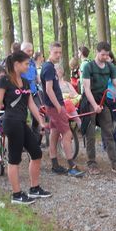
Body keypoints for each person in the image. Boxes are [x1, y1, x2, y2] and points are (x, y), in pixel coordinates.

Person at [0, 50, 51, 204]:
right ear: (16, 64)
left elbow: (31, 103)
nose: (28, 66)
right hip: (11, 122)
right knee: (14, 159)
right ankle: (16, 195)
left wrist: (41, 121)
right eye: (26, 64)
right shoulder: (4, 80)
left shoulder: (25, 82)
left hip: (22, 122)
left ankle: (34, 188)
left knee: (36, 153)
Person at [81, 41, 116, 175]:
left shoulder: (110, 67)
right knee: (90, 134)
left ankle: (115, 162)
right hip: (90, 102)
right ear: (97, 52)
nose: (105, 57)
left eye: (107, 55)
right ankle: (91, 163)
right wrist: (94, 106)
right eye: (103, 55)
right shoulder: (89, 67)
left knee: (109, 131)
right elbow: (87, 89)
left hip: (103, 101)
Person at [42, 42, 84, 177]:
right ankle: (72, 166)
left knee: (54, 134)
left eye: (60, 52)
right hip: (55, 107)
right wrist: (59, 106)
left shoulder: (50, 67)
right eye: (56, 52)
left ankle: (55, 165)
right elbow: (48, 89)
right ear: (50, 52)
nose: (58, 55)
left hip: (54, 106)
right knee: (67, 134)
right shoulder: (48, 68)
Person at [102, 52, 116, 153]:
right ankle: (106, 144)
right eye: (105, 58)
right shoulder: (101, 71)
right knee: (106, 122)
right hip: (105, 99)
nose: (106, 60)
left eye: (108, 58)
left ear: (111, 59)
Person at [21, 42, 42, 139]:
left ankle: (36, 138)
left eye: (31, 51)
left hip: (34, 92)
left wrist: (39, 81)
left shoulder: (32, 62)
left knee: (38, 113)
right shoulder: (18, 61)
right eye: (28, 50)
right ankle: (23, 140)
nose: (30, 53)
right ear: (22, 50)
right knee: (23, 117)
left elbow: (36, 75)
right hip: (23, 93)